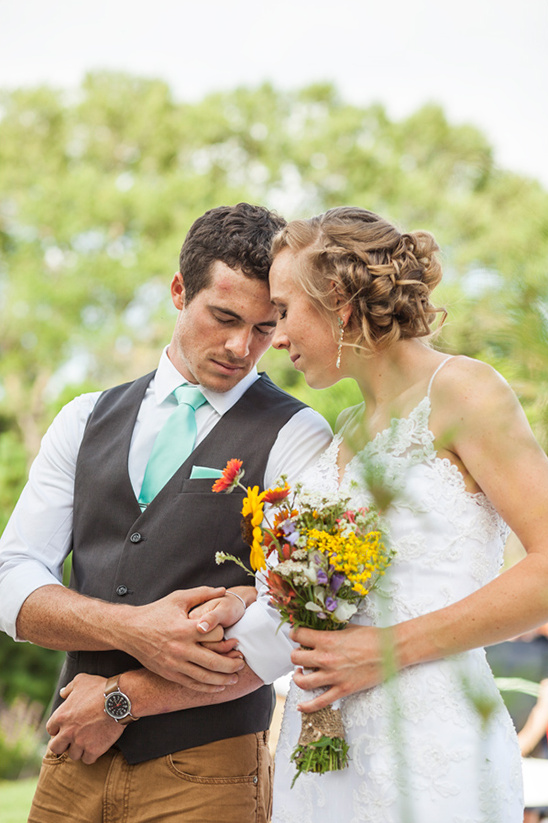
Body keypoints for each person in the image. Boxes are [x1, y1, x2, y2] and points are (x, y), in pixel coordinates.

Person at [0, 203, 332, 823]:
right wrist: (130, 629)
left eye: (265, 327)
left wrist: (123, 701)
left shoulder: (297, 433)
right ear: (179, 292)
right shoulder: (83, 417)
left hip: (208, 769)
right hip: (71, 757)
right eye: (224, 317)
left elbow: (291, 621)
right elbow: (11, 578)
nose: (242, 348)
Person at [264, 206, 548, 822]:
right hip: (321, 754)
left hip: (432, 750)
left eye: (284, 311)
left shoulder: (465, 391)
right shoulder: (339, 431)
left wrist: (385, 651)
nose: (275, 336)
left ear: (337, 299)